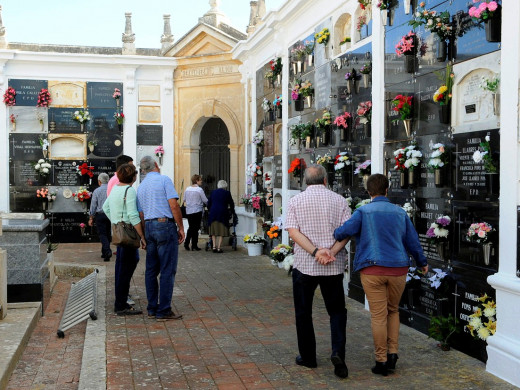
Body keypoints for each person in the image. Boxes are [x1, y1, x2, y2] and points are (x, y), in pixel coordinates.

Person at [333, 173, 428, 377]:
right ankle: (393, 354)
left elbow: (342, 232)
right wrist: (422, 262)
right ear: (387, 190)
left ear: (369, 192)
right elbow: (413, 241)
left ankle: (381, 360)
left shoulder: (363, 212)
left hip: (372, 269)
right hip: (398, 269)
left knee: (378, 315)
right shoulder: (400, 213)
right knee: (393, 311)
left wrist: (336, 232)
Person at [284, 164, 351, 379]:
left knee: (303, 312)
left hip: (305, 265)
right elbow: (346, 232)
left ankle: (308, 357)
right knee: (337, 311)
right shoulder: (339, 200)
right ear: (325, 180)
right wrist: (330, 252)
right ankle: (338, 352)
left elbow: (293, 232)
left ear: (305, 181)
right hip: (333, 266)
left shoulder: (296, 201)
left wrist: (315, 252)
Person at [137, 156, 185, 321]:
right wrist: (181, 227)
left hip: (149, 226)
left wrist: (143, 235)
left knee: (151, 270)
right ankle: (163, 310)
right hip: (164, 225)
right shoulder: (164, 180)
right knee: (167, 269)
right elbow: (173, 205)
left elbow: (141, 214)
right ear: (156, 165)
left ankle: (152, 308)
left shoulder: (141, 187)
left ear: (143, 170)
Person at [103, 163, 146, 315]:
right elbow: (133, 215)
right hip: (129, 234)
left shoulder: (115, 188)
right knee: (127, 267)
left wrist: (116, 221)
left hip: (119, 233)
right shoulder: (129, 190)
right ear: (133, 176)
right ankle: (120, 304)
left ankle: (120, 301)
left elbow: (105, 207)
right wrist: (142, 236)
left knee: (122, 267)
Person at [88, 173, 112, 261]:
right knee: (108, 233)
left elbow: (93, 205)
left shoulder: (97, 191)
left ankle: (107, 251)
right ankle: (104, 252)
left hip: (100, 215)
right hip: (110, 214)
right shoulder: (111, 190)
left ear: (99, 181)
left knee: (102, 234)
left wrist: (91, 217)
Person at [207, 180, 234, 253]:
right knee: (222, 230)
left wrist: (209, 209)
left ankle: (214, 246)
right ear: (225, 186)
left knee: (213, 230)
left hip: (213, 213)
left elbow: (209, 203)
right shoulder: (227, 193)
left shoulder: (213, 192)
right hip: (222, 213)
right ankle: (219, 247)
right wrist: (232, 211)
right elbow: (231, 203)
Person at [183, 174, 208, 251]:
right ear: (196, 181)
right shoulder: (199, 190)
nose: (201, 181)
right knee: (196, 228)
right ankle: (193, 244)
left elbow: (184, 199)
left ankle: (187, 243)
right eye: (200, 180)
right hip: (197, 210)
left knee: (191, 227)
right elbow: (205, 200)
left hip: (189, 210)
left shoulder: (187, 189)